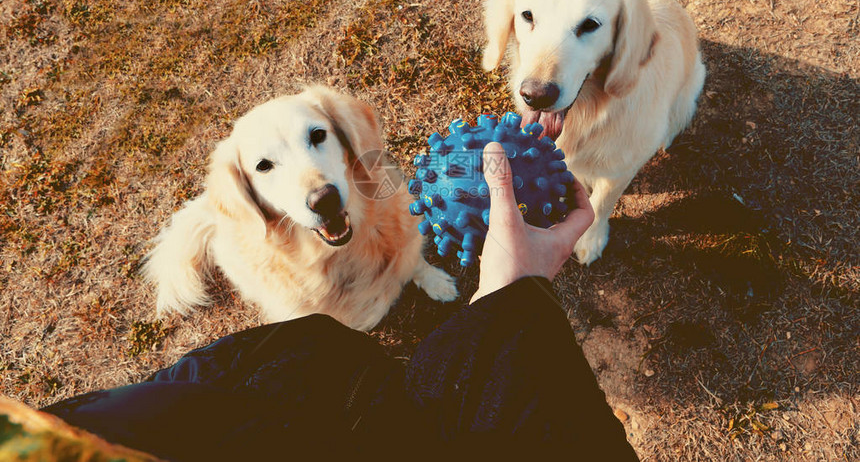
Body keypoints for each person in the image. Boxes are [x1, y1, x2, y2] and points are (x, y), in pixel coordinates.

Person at [43, 143, 639, 460]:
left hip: (266, 389)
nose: (318, 183)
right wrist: (509, 302)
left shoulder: (29, 435)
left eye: (318, 139)